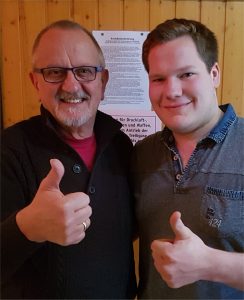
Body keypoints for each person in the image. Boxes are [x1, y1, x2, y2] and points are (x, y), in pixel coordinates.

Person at [1, 19, 137, 299]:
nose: (71, 85)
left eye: (85, 71)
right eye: (54, 72)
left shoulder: (122, 146)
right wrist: (26, 227)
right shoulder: (9, 150)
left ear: (103, 81)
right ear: (35, 81)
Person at [130, 18, 244, 299]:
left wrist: (210, 264)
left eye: (186, 74)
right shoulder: (140, 155)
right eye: (158, 78)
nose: (171, 91)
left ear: (214, 73)